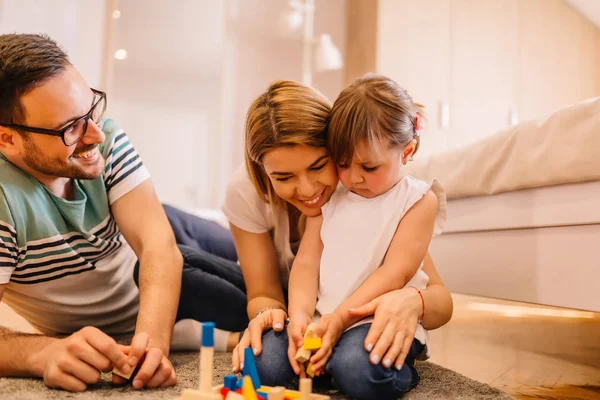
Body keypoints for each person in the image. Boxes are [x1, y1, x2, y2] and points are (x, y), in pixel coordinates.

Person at [0, 33, 248, 392]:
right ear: (7, 140)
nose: (96, 135)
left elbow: (159, 247)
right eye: (70, 128)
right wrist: (42, 352)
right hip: (149, 261)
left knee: (267, 272)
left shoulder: (104, 139)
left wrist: (152, 345)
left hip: (158, 237)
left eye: (92, 110)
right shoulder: (6, 200)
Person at [223, 80, 454, 393]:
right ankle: (330, 367)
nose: (354, 176)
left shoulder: (414, 199)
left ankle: (378, 372)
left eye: (369, 166)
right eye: (343, 164)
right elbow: (306, 263)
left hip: (369, 321)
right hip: (324, 317)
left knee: (356, 369)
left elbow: (398, 273)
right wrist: (300, 316)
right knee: (265, 365)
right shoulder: (334, 196)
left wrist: (341, 318)